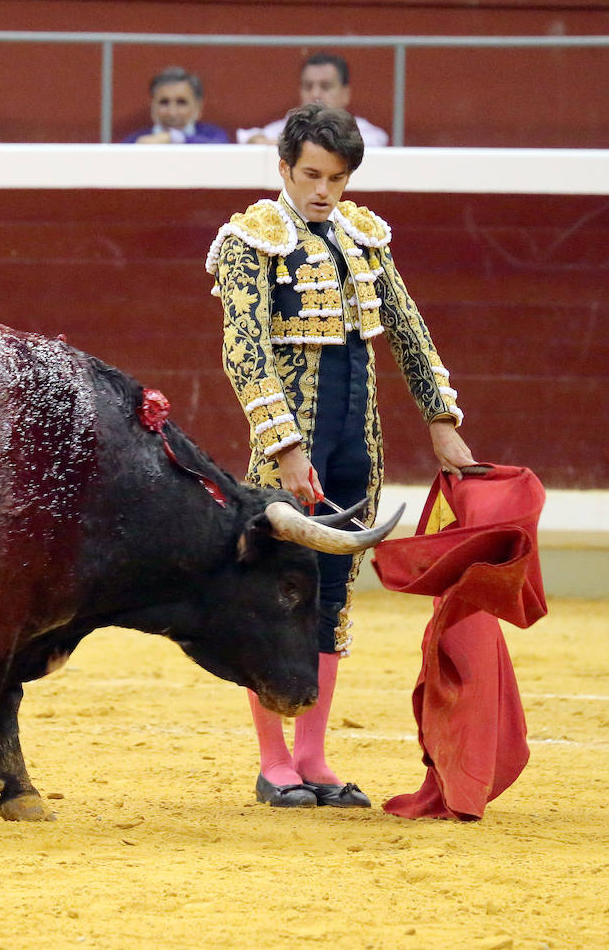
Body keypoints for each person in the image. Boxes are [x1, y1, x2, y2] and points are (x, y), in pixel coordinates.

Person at [206, 102, 474, 808]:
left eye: (337, 178)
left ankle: (314, 757)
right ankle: (274, 763)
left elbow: (408, 329)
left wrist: (442, 420)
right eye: (313, 175)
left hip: (357, 448)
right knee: (275, 596)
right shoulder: (249, 240)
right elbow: (244, 352)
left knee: (331, 598)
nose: (325, 190)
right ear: (285, 168)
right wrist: (286, 448)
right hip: (290, 453)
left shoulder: (363, 237)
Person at [238, 53, 389, 148]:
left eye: (325, 86)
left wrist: (290, 147)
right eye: (308, 86)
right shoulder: (286, 126)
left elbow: (374, 141)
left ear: (345, 94)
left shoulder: (365, 132)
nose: (315, 94)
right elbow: (248, 138)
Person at [120, 67, 228, 144]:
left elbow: (218, 151)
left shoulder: (213, 136)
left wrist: (173, 138)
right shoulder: (135, 141)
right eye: (164, 102)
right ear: (152, 106)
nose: (172, 113)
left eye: (181, 102)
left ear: (198, 107)